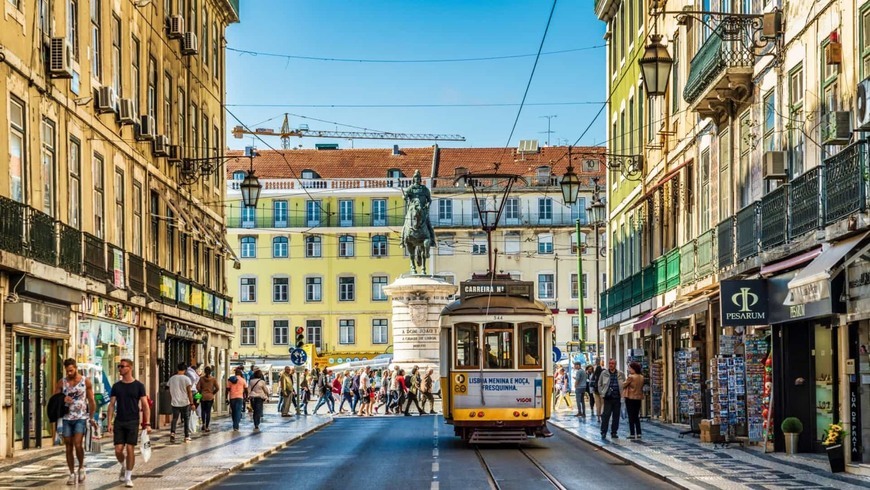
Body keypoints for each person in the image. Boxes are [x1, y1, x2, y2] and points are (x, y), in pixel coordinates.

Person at [107, 358, 150, 488]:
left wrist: (147, 423)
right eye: (119, 366)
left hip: (133, 421)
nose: (120, 368)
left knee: (130, 448)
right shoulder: (116, 386)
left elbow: (145, 405)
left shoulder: (138, 386)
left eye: (122, 366)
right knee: (118, 450)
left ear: (130, 368)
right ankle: (123, 465)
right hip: (119, 421)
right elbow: (111, 405)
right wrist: (109, 422)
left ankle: (128, 476)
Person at [54, 358, 97, 485]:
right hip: (66, 418)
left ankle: (81, 467)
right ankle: (71, 473)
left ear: (76, 368)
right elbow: (54, 399)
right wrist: (62, 399)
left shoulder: (85, 382)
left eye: (71, 371)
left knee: (78, 444)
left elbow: (91, 400)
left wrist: (91, 417)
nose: (69, 373)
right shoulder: (62, 382)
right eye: (67, 371)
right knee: (68, 445)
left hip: (81, 417)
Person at [597, 359, 626, 440]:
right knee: (606, 416)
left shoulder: (620, 374)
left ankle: (614, 432)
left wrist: (622, 395)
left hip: (617, 398)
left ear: (615, 364)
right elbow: (599, 384)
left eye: (612, 363)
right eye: (610, 363)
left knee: (616, 416)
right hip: (607, 398)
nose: (611, 365)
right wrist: (602, 393)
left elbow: (624, 384)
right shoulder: (604, 373)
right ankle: (603, 432)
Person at [403, 169, 436, 239]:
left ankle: (432, 240)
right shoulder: (410, 188)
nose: (417, 179)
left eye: (418, 177)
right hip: (412, 210)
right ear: (413, 179)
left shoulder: (425, 189)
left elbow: (429, 200)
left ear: (420, 179)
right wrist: (404, 196)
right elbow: (405, 195)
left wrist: (428, 204)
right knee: (405, 224)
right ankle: (402, 240)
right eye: (415, 177)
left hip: (423, 211)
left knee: (429, 224)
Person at [168, 362, 195, 443]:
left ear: (178, 369)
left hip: (175, 402)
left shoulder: (172, 378)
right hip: (185, 402)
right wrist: (192, 403)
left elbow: (169, 389)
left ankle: (172, 433)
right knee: (186, 419)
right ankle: (186, 436)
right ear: (185, 370)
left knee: (175, 419)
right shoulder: (187, 379)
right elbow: (189, 392)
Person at [623, 362, 645, 439]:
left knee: (630, 416)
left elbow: (623, 385)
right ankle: (639, 433)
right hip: (638, 397)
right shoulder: (641, 377)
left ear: (634, 369)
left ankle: (632, 433)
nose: (629, 369)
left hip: (630, 398)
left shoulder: (631, 377)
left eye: (630, 368)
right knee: (636, 416)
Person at [196, 366, 219, 432]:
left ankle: (203, 424)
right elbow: (217, 388)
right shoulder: (213, 379)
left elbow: (197, 387)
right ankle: (207, 426)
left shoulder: (201, 379)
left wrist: (201, 392)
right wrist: (212, 393)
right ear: (210, 372)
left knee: (203, 411)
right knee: (208, 412)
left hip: (203, 396)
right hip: (210, 397)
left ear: (205, 371)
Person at [226, 366, 248, 431]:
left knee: (233, 411)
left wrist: (226, 398)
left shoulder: (230, 379)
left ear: (235, 373)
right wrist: (246, 397)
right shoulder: (243, 380)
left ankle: (235, 424)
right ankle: (236, 425)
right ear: (240, 373)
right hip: (239, 398)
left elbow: (227, 389)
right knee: (238, 411)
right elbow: (246, 390)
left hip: (232, 397)